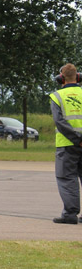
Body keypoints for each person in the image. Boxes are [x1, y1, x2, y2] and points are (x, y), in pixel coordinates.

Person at [49, 63, 82, 224]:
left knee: (67, 178)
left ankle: (70, 214)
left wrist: (76, 139)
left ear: (61, 78)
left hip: (67, 144)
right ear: (78, 77)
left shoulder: (57, 97)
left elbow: (59, 121)